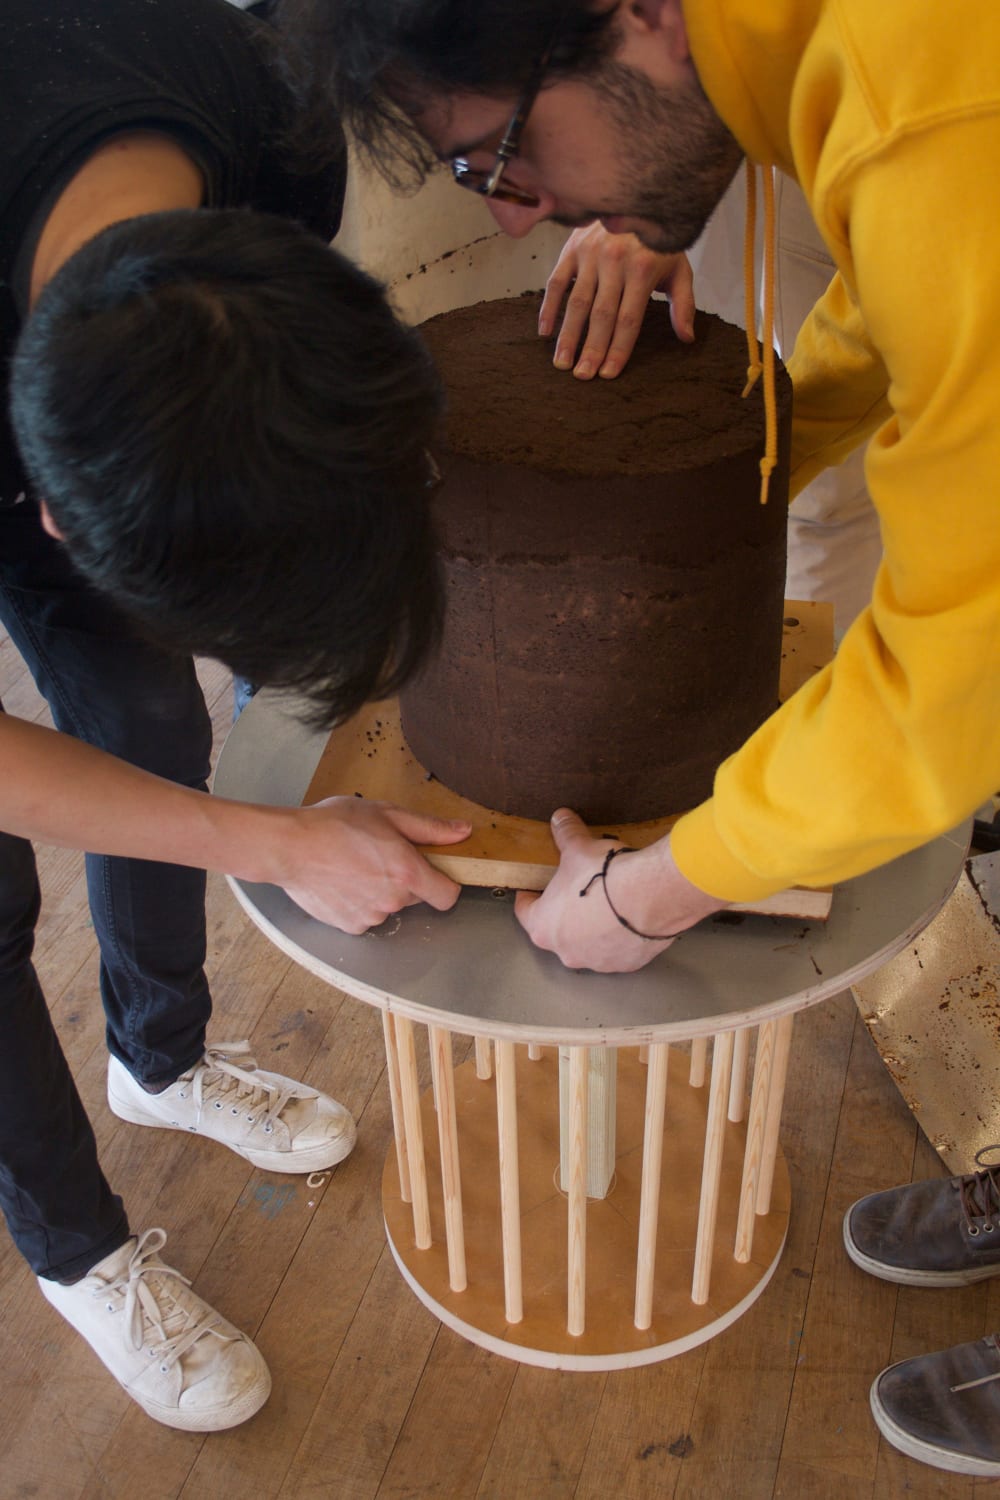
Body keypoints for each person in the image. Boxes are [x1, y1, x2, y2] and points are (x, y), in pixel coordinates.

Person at [277, 0, 1000, 1474]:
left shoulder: (943, 125)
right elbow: (903, 305)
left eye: (504, 155)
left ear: (640, 16)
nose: (533, 217)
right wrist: (718, 475)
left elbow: (958, 666)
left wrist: (664, 883)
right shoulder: (842, 63)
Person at [0, 0, 479, 1433]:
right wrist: (268, 843)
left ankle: (161, 1060)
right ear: (60, 523)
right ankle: (76, 1254)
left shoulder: (261, 112)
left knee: (145, 719)